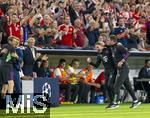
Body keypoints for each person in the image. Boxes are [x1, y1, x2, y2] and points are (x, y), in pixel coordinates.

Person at [108, 35, 141, 109]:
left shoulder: (119, 46)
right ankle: (136, 101)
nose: (108, 41)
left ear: (113, 40)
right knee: (128, 86)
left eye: (109, 40)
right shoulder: (112, 47)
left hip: (124, 69)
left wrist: (122, 61)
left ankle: (116, 103)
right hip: (120, 69)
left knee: (116, 86)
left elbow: (128, 53)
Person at [87, 41, 117, 107]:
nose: (97, 49)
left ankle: (114, 101)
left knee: (109, 85)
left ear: (101, 46)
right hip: (106, 71)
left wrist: (104, 44)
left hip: (112, 69)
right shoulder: (99, 55)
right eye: (96, 48)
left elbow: (112, 46)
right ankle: (112, 102)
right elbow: (97, 65)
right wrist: (90, 62)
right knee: (107, 86)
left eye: (98, 47)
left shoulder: (107, 50)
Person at [0, 36, 19, 107]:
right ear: (10, 41)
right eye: (14, 41)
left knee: (5, 86)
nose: (16, 42)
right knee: (11, 84)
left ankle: (3, 103)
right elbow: (3, 53)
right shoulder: (8, 46)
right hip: (7, 67)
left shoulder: (10, 48)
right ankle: (10, 104)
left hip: (7, 67)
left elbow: (15, 59)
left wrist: (16, 57)